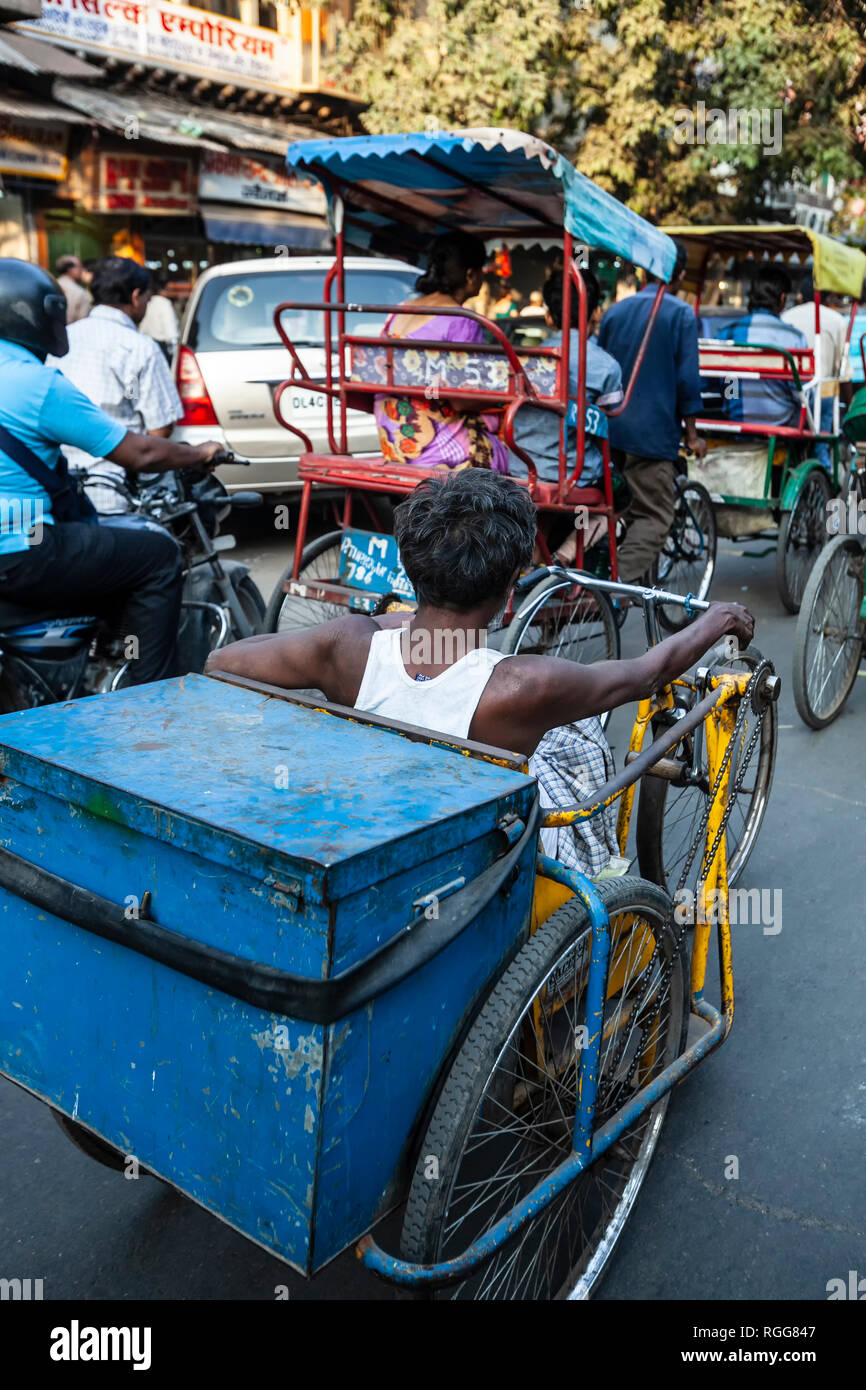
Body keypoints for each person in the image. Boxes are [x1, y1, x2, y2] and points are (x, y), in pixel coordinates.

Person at [206, 471, 754, 875]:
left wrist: (386, 629)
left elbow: (222, 664)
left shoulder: (346, 645)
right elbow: (643, 675)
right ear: (508, 594)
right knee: (576, 734)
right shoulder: (524, 686)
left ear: (413, 569)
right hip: (485, 856)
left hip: (376, 829)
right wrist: (717, 619)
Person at [0, 258, 221, 684]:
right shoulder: (38, 383)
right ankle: (149, 698)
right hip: (25, 547)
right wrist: (199, 453)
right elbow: (140, 452)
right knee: (158, 555)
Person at [598, 241, 707, 583]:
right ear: (682, 276)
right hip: (652, 434)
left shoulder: (615, 312)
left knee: (619, 507)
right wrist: (692, 435)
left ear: (644, 270)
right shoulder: (680, 313)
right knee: (656, 517)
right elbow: (688, 381)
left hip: (609, 430)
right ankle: (615, 590)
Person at [46, 256, 183, 521]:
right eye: (147, 299)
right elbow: (161, 428)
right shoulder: (138, 346)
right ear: (135, 297)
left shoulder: (62, 340)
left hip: (61, 490)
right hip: (118, 493)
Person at [373, 231, 510, 472]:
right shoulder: (461, 319)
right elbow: (460, 398)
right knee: (510, 455)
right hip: (441, 453)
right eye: (480, 272)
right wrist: (505, 393)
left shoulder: (399, 310)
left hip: (394, 445)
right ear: (470, 274)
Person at [509, 268, 623, 488]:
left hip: (519, 469)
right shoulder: (607, 366)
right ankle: (596, 522)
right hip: (576, 477)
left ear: (549, 318)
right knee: (620, 489)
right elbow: (610, 419)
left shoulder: (523, 361)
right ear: (597, 313)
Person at [715, 264, 807, 430]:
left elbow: (726, 380)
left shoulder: (728, 333)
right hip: (781, 427)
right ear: (782, 298)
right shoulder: (794, 338)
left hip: (736, 422)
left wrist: (735, 399)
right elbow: (801, 394)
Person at [782, 273, 853, 470]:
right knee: (822, 439)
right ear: (829, 297)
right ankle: (825, 467)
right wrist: (850, 406)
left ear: (801, 295)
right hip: (822, 395)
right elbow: (843, 373)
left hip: (789, 393)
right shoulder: (837, 320)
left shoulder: (786, 316)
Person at [139, 267, 180, 364]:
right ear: (167, 286)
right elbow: (171, 334)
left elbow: (142, 328)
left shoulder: (147, 303)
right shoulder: (164, 304)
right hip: (162, 350)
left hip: (146, 347)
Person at [54, 255, 92, 324]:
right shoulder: (79, 292)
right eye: (80, 267)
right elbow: (83, 322)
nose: (82, 270)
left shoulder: (51, 285)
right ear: (70, 269)